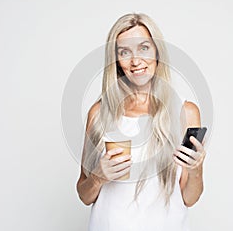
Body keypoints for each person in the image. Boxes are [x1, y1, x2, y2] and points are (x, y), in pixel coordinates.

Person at [76, 13, 206, 231]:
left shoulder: (186, 112)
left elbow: (189, 198)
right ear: (116, 61)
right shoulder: (99, 113)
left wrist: (196, 168)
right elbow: (84, 194)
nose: (136, 61)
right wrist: (98, 177)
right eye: (125, 52)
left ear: (157, 52)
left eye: (144, 48)